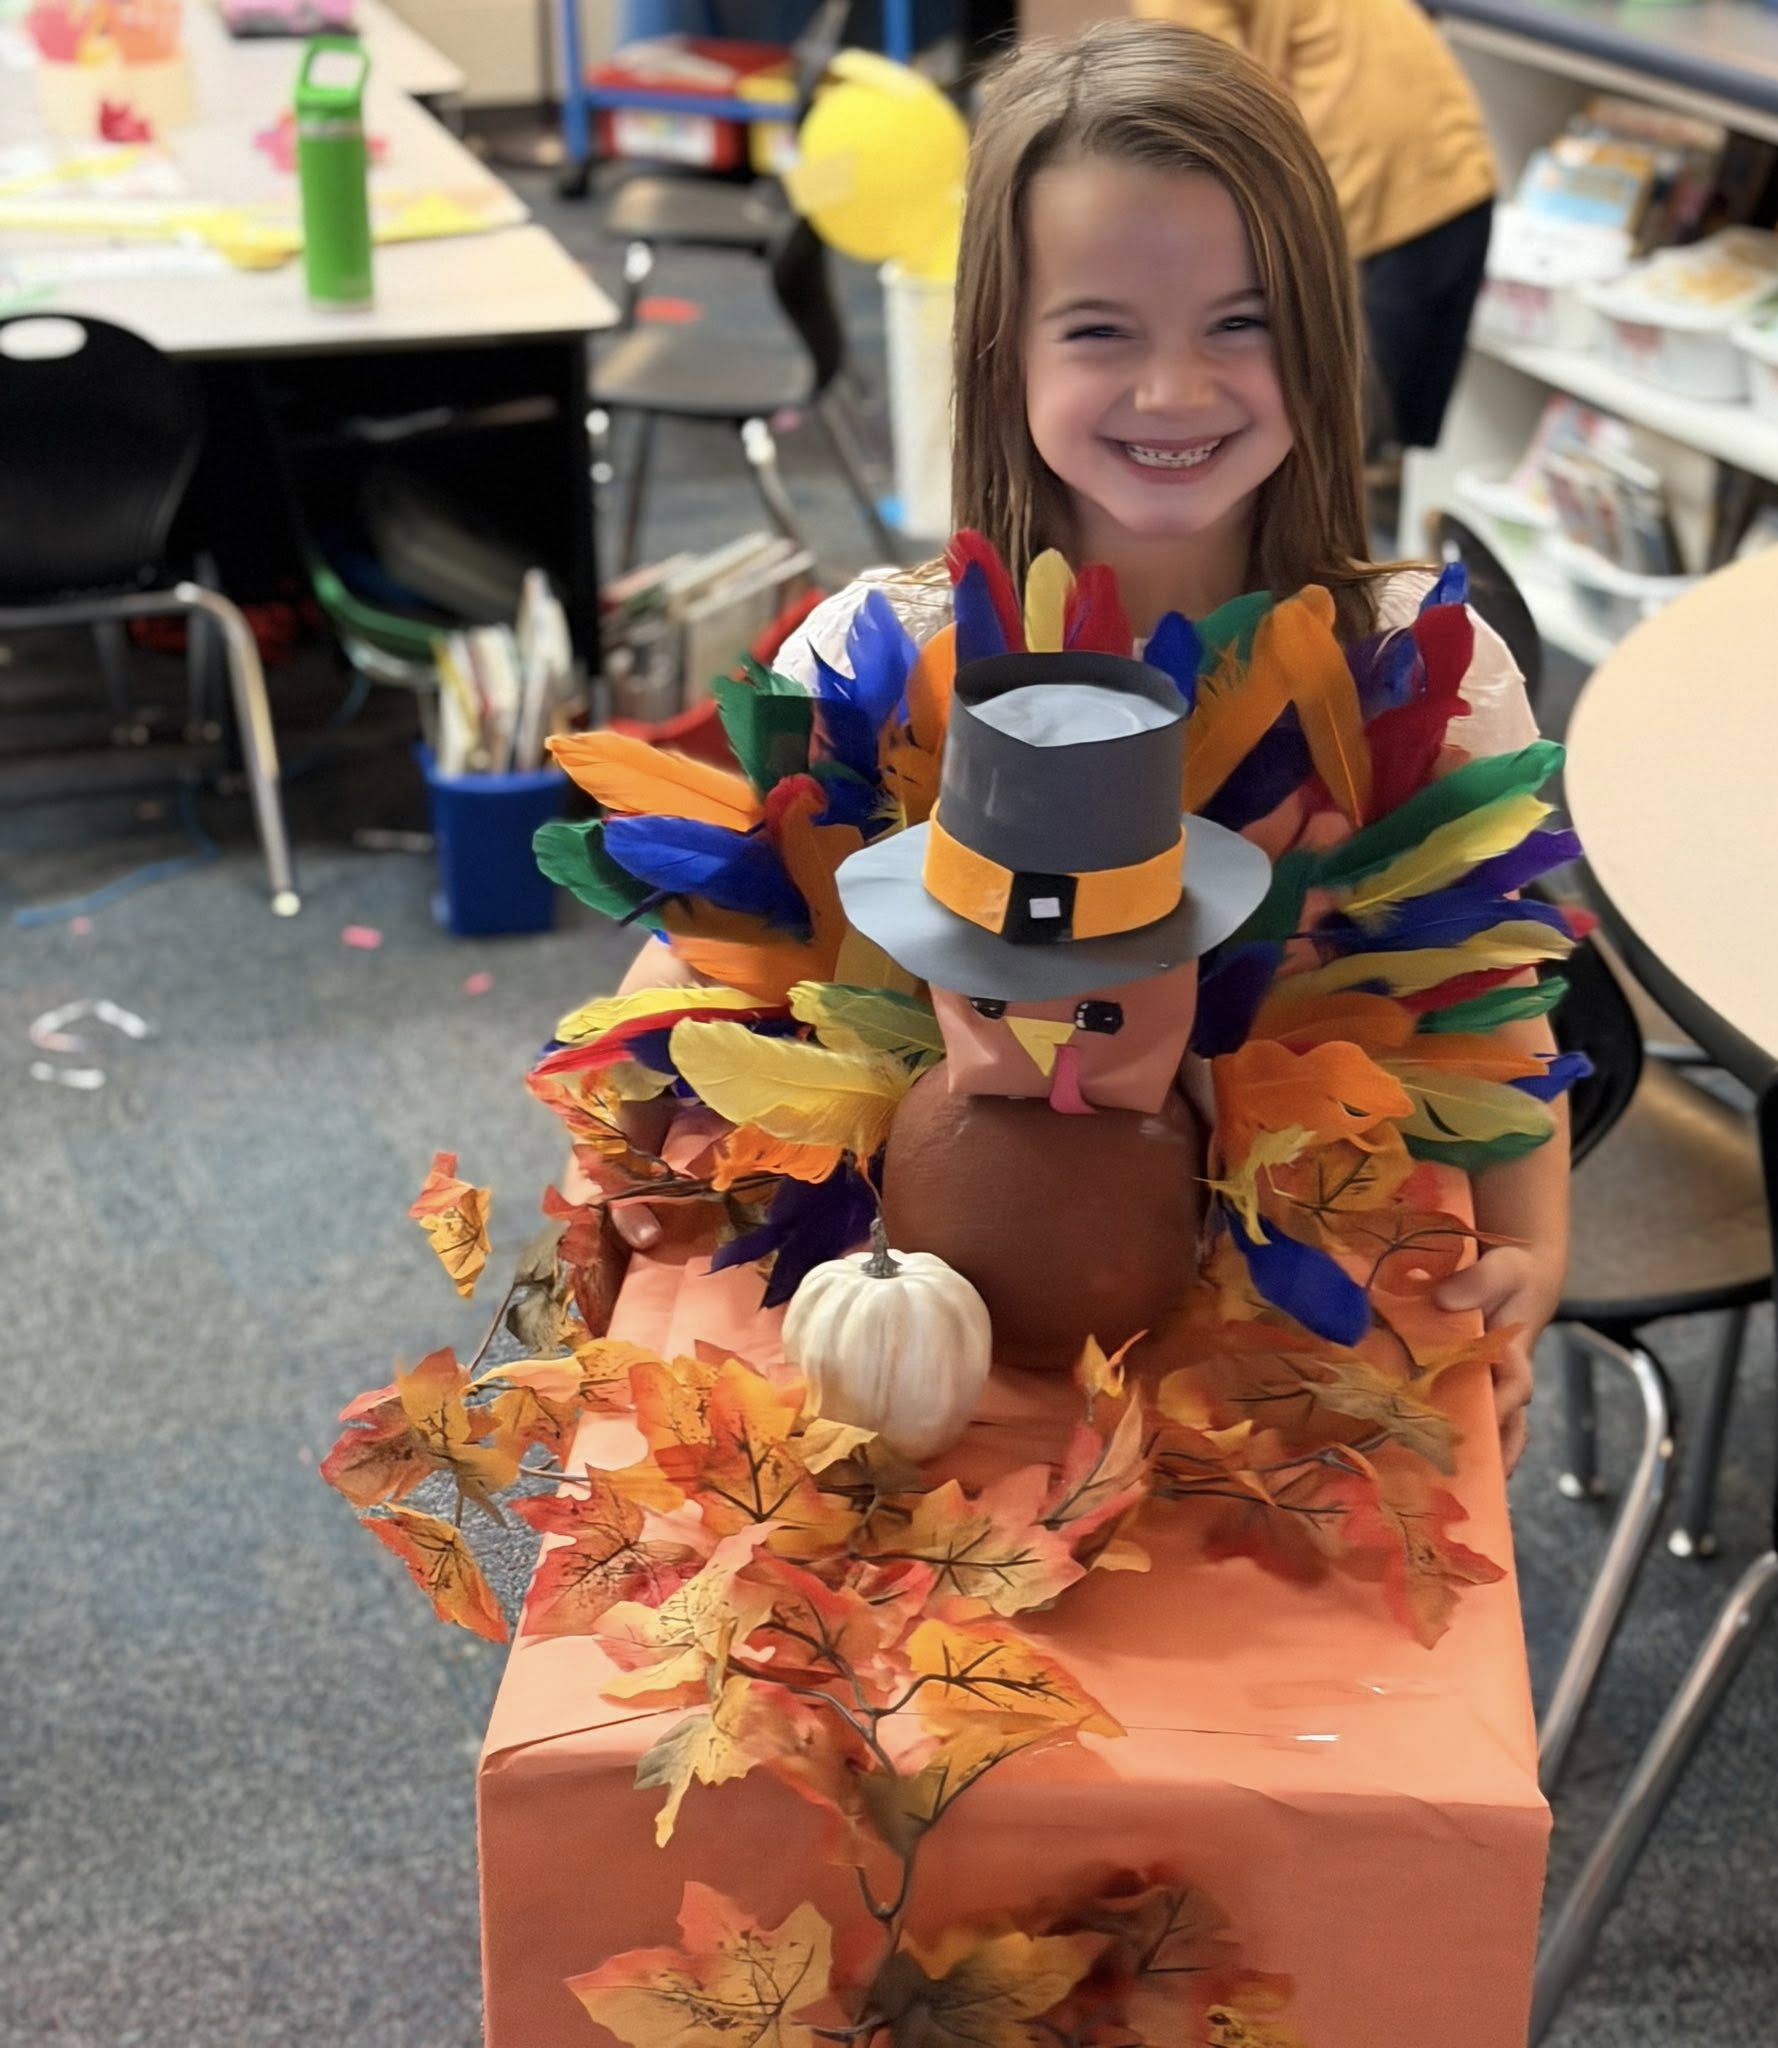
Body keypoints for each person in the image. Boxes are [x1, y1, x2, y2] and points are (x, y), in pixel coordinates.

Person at [582, 18, 1563, 1473]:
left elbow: (1489, 1003)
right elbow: (703, 949)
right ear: (1005, 349)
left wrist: (1539, 1247)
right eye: (1102, 330)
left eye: (1243, 323)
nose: (1177, 391)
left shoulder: (1420, 673)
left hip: (1285, 1369)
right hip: (933, 1364)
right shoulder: (873, 660)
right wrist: (601, 1142)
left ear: (1323, 331)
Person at [1130, 0, 1496, 455]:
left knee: (1323, 450)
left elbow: (1207, 113)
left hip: (1377, 195)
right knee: (1354, 441)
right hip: (1454, 172)